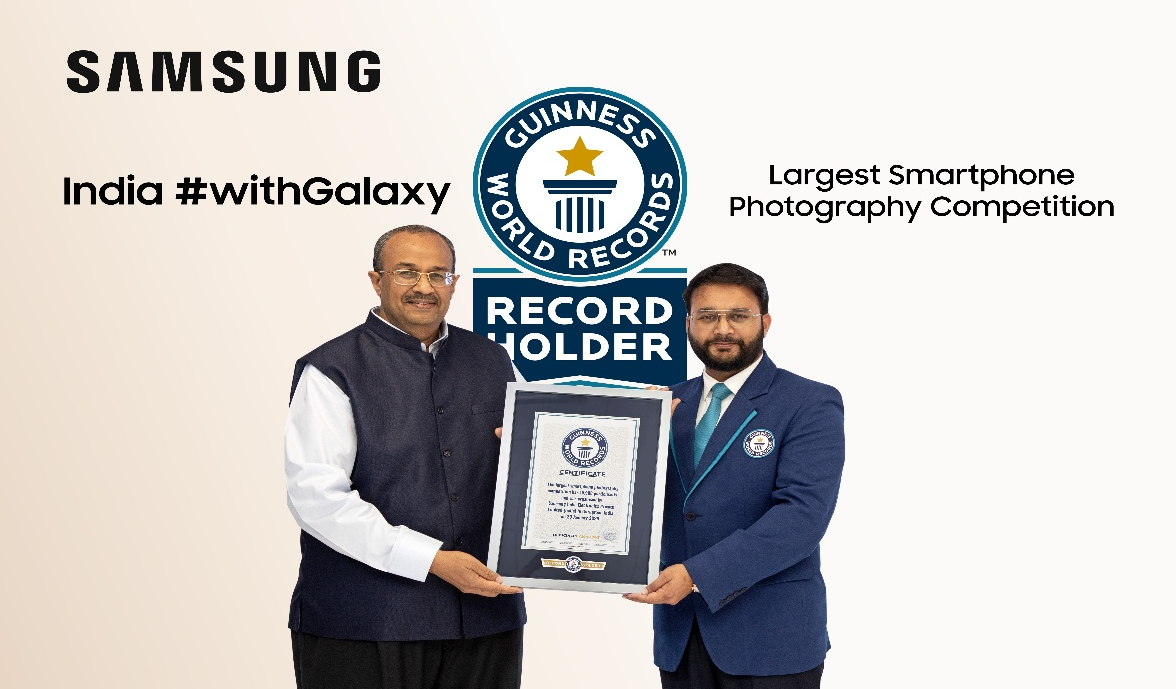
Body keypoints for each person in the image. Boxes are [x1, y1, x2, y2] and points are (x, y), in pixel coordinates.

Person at [284, 225, 525, 689]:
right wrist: (431, 559)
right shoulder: (331, 368)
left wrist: (644, 419)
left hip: (486, 619)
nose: (423, 287)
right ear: (376, 281)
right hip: (363, 622)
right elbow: (316, 498)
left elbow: (550, 451)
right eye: (407, 273)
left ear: (455, 283)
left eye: (439, 274)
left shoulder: (495, 360)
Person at [625, 263, 845, 689]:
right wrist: (532, 449)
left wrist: (697, 575)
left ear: (764, 322)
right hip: (680, 637)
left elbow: (801, 518)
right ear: (688, 325)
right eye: (707, 316)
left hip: (772, 639)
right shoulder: (663, 405)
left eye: (738, 315)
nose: (722, 328)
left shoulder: (810, 402)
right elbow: (624, 498)